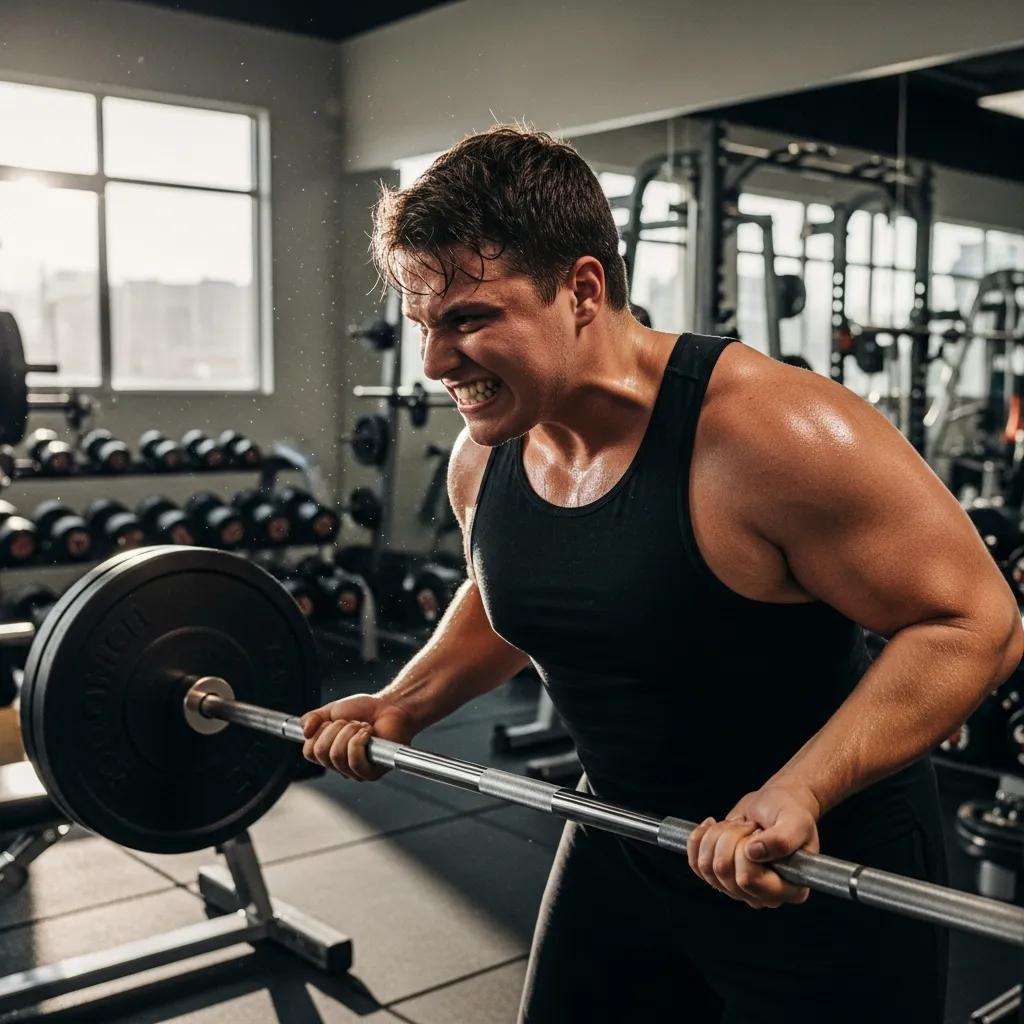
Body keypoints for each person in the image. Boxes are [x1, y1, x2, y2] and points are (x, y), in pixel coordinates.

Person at [302, 125, 1022, 1023]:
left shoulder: (770, 435)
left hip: (814, 866)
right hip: (623, 836)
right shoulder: (485, 457)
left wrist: (803, 788)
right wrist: (404, 702)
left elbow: (975, 621)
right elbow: (509, 589)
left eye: (469, 320)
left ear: (582, 290)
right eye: (424, 326)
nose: (435, 363)